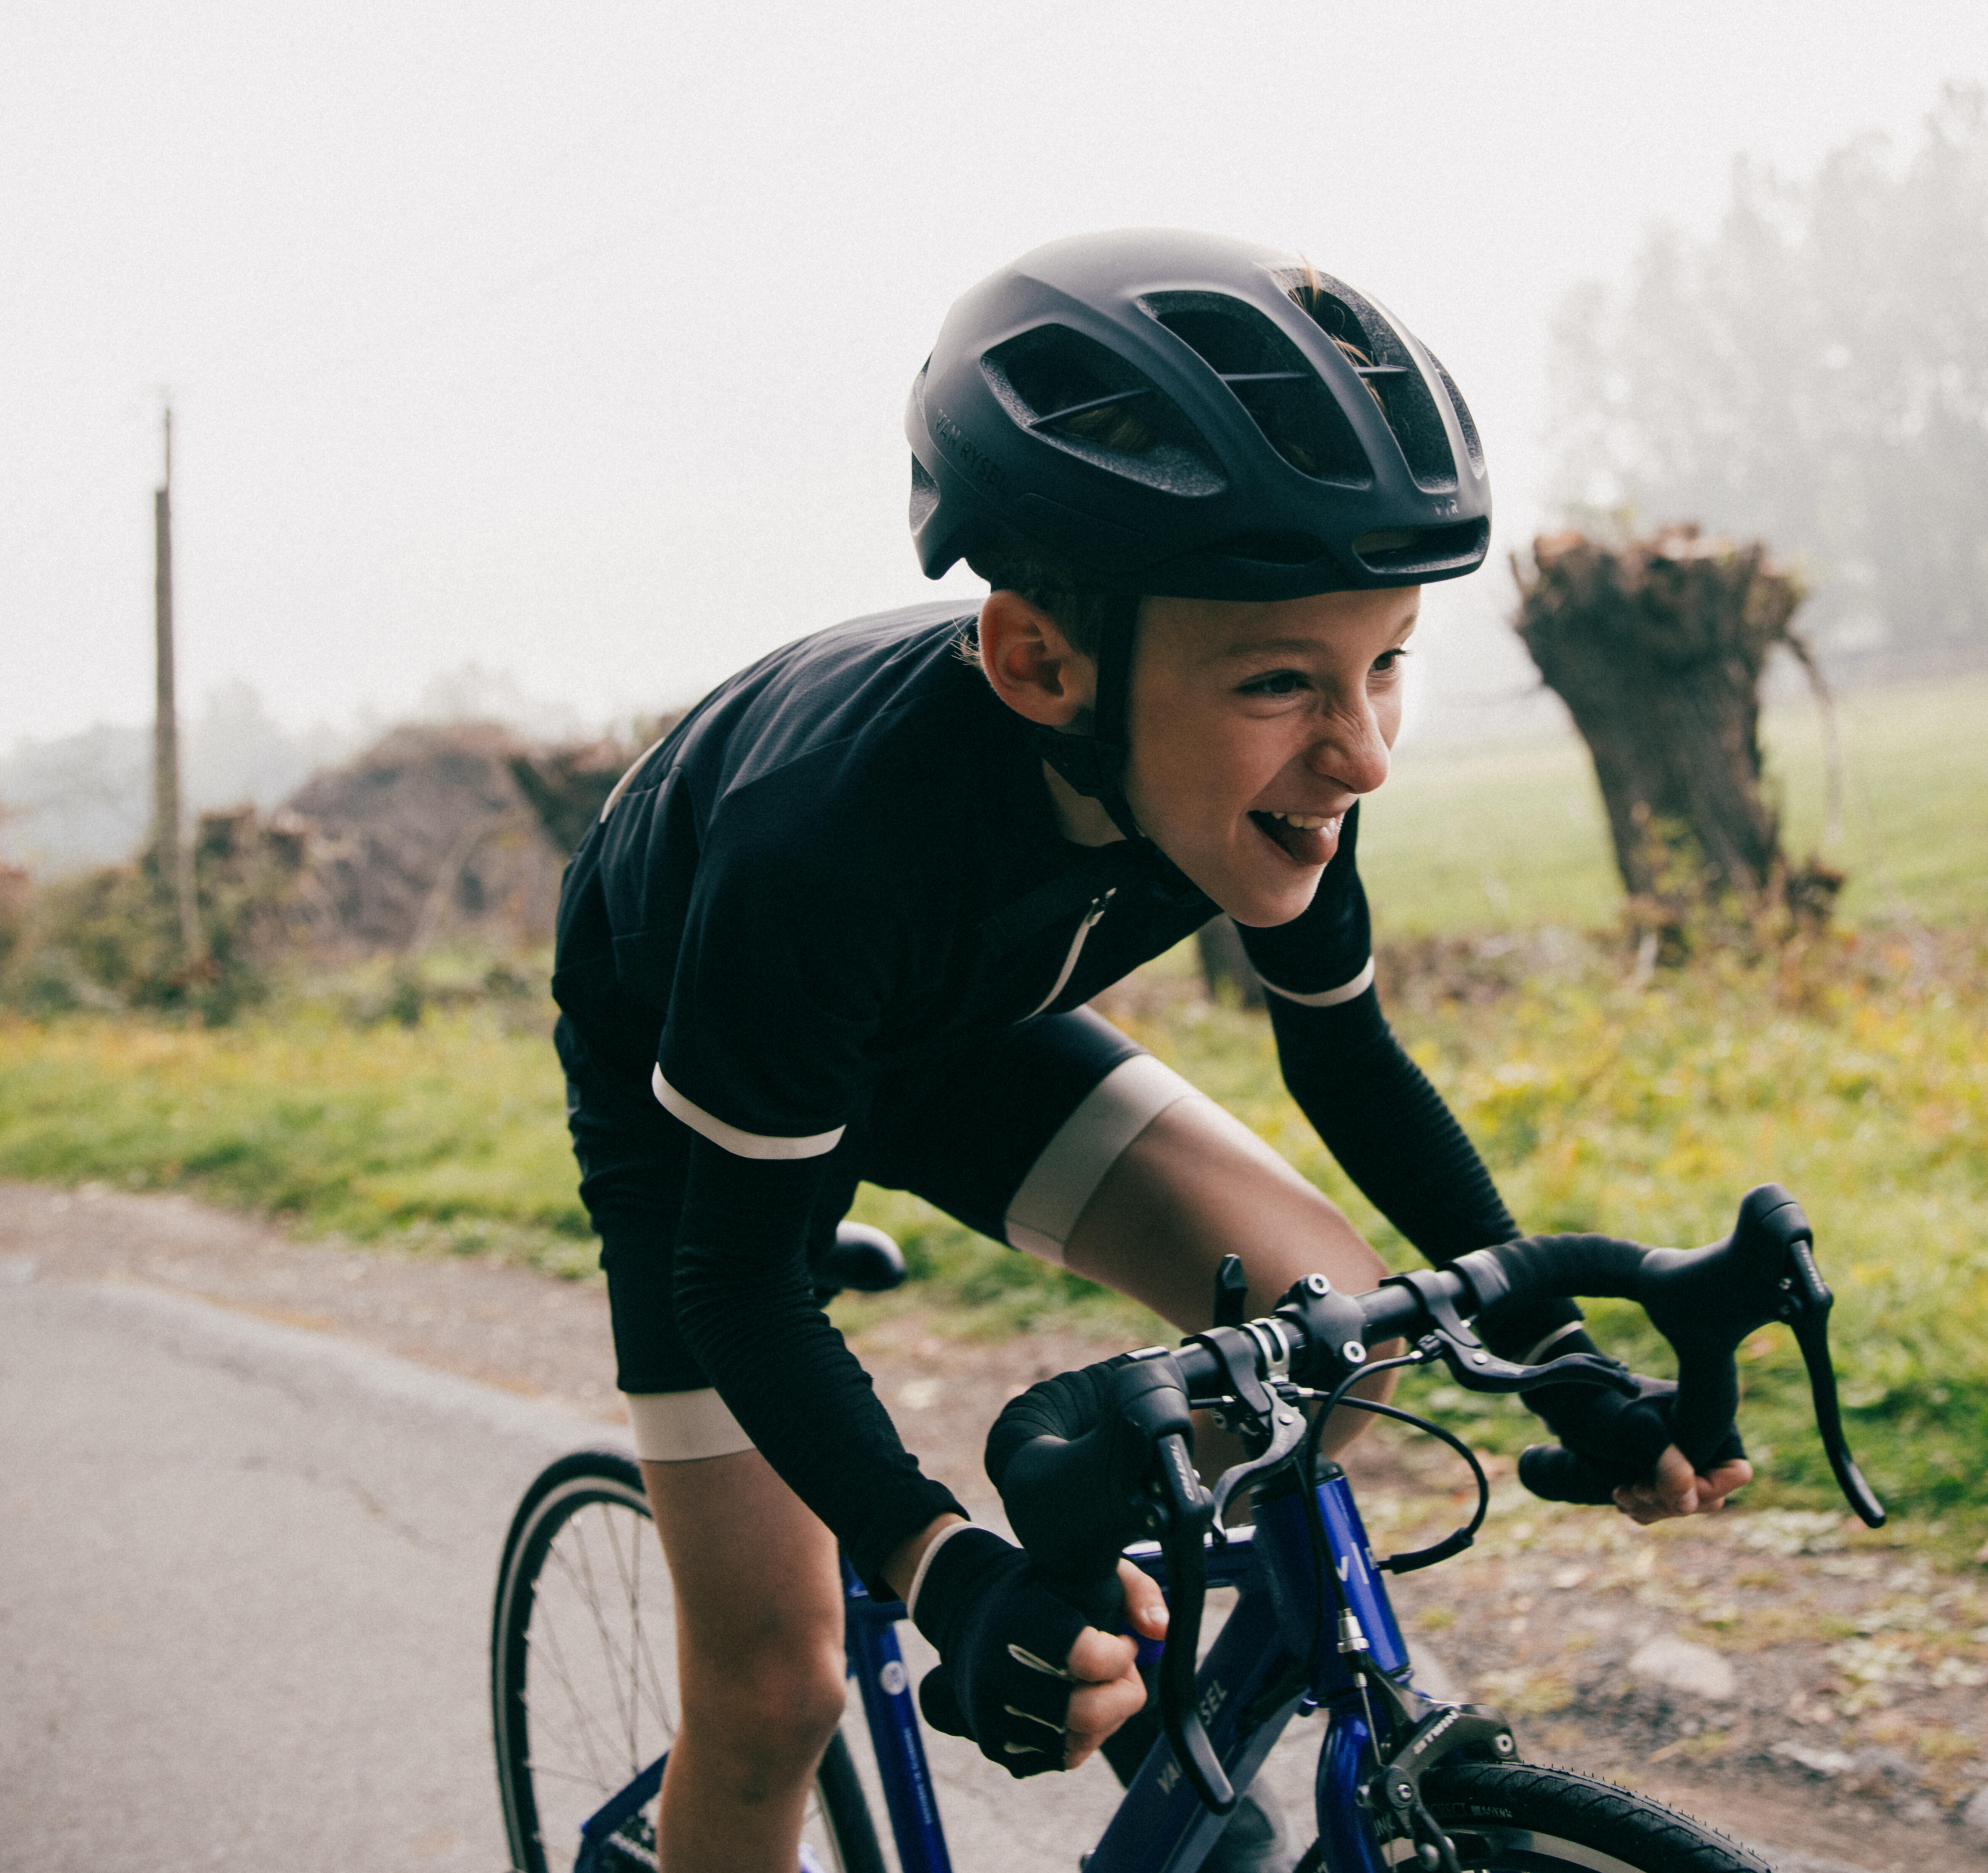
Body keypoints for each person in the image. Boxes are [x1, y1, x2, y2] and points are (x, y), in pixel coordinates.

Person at [547, 228, 1751, 1873]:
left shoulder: (1290, 770)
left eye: (1386, 663)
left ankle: (1152, 1664)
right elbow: (736, 1281)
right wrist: (949, 1576)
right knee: (775, 1689)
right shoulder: (812, 849)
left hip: (966, 1019)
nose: (1365, 752)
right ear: (1043, 662)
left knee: (1334, 1330)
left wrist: (1560, 1361)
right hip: (702, 1067)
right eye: (1283, 681)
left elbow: (1353, 1070)